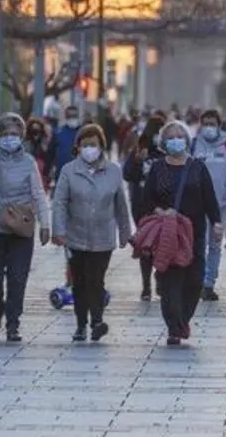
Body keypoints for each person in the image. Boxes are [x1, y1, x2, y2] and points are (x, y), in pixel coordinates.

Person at [138, 121, 222, 345]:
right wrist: (160, 211)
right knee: (170, 282)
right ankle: (174, 327)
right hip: (168, 232)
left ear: (186, 139)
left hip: (194, 231)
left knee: (195, 279)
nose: (176, 140)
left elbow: (209, 198)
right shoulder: (158, 168)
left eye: (179, 136)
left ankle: (183, 318)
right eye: (171, 137)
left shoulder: (197, 167)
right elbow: (146, 199)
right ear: (164, 142)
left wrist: (216, 222)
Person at [0, 113, 52, 343]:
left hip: (20, 230)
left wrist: (45, 224)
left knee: (18, 277)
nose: (9, 138)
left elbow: (38, 193)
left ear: (21, 136)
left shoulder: (28, 162)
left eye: (14, 134)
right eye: (5, 134)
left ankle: (13, 323)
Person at [51, 124, 132, 341]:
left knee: (96, 280)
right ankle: (81, 325)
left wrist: (125, 233)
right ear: (78, 147)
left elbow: (120, 204)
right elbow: (59, 202)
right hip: (75, 236)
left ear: (101, 146)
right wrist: (58, 230)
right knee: (79, 282)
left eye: (93, 144)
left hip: (103, 236)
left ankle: (97, 321)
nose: (89, 149)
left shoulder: (113, 171)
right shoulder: (69, 171)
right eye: (85, 145)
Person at [191, 109, 226, 301]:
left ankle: (209, 284)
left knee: (214, 244)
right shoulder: (194, 144)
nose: (208, 127)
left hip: (221, 205)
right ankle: (196, 281)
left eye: (212, 124)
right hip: (198, 204)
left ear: (219, 125)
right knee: (197, 243)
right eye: (205, 123)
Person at [123, 115, 166, 300]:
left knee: (162, 244)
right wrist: (137, 161)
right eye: (156, 130)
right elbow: (127, 175)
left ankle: (160, 279)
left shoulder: (166, 153)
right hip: (142, 207)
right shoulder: (139, 151)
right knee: (146, 246)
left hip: (163, 207)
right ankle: (146, 285)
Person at [50, 104, 82, 181]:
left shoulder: (84, 132)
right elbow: (51, 152)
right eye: (69, 116)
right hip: (61, 174)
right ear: (65, 116)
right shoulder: (58, 132)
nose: (72, 118)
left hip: (80, 175)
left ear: (78, 116)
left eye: (74, 115)